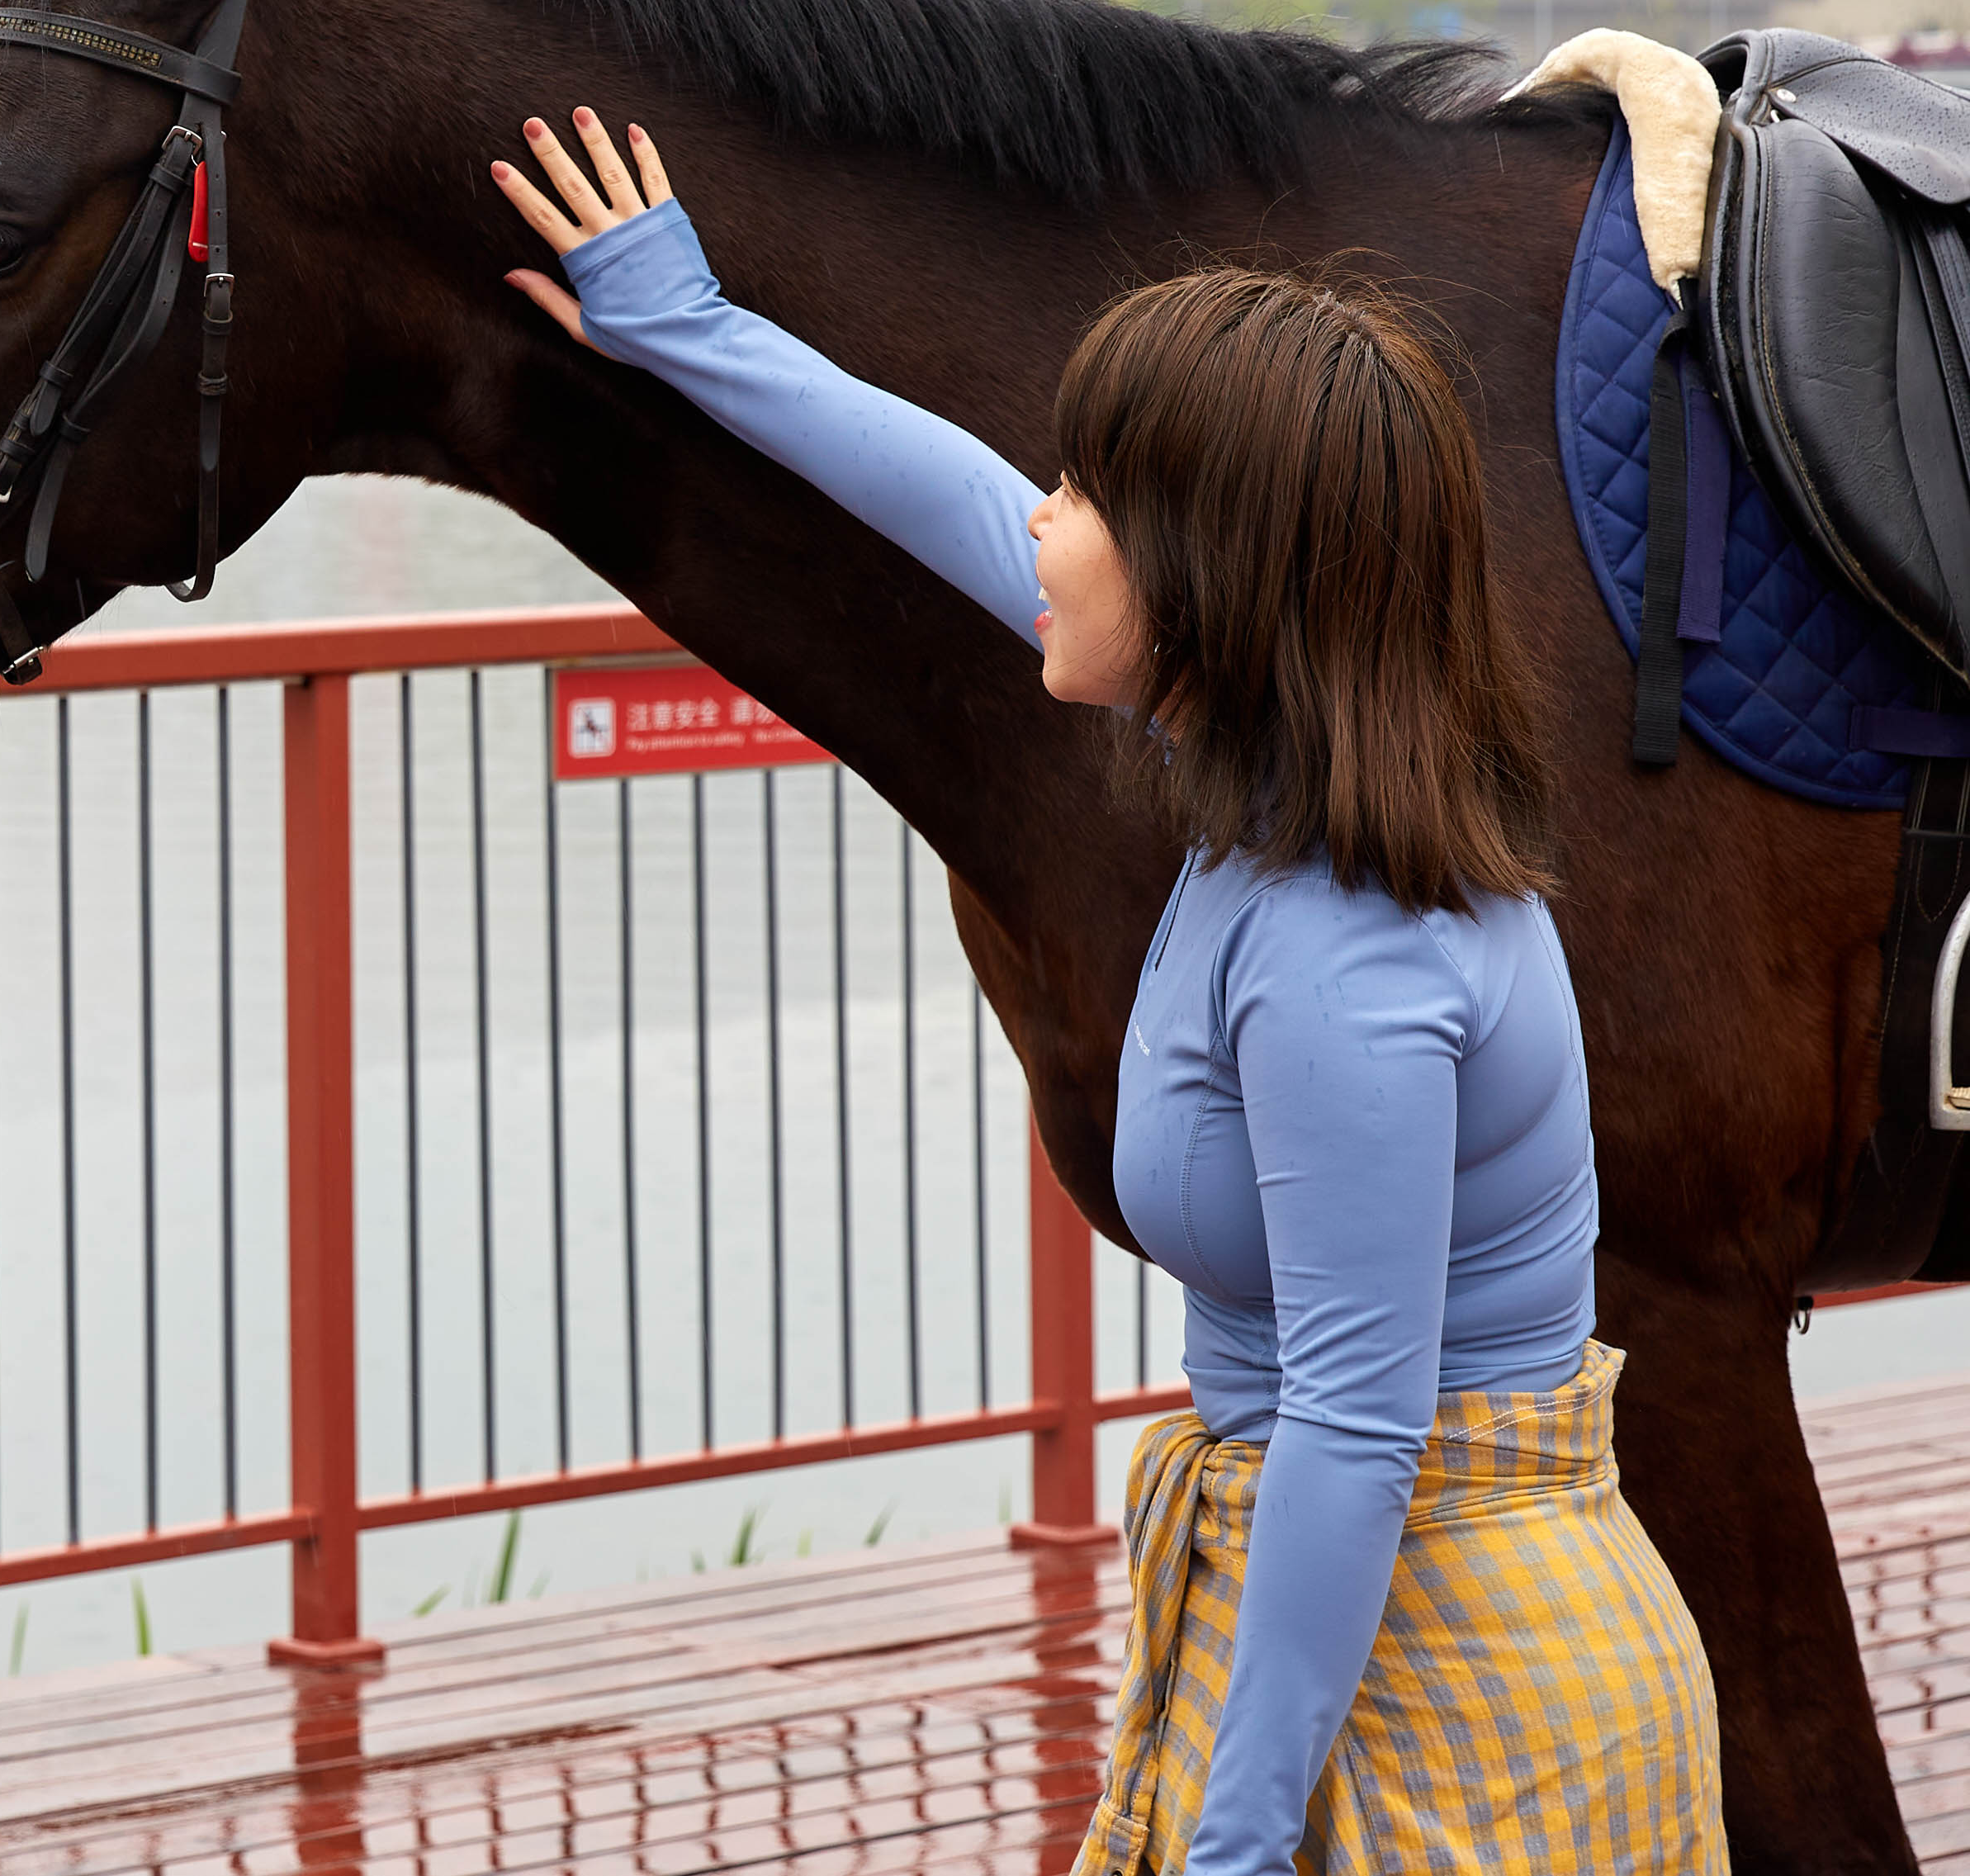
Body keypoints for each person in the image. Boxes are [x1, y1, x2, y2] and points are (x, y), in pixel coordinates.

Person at [492, 106, 1724, 1875]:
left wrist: (1229, 1843)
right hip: (1350, 1627)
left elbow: (1357, 1431)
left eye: (1080, 495)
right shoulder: (1280, 778)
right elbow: (944, 498)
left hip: (1461, 1690)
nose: (1037, 525)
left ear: (1210, 577)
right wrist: (682, 320)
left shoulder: (1345, 959)